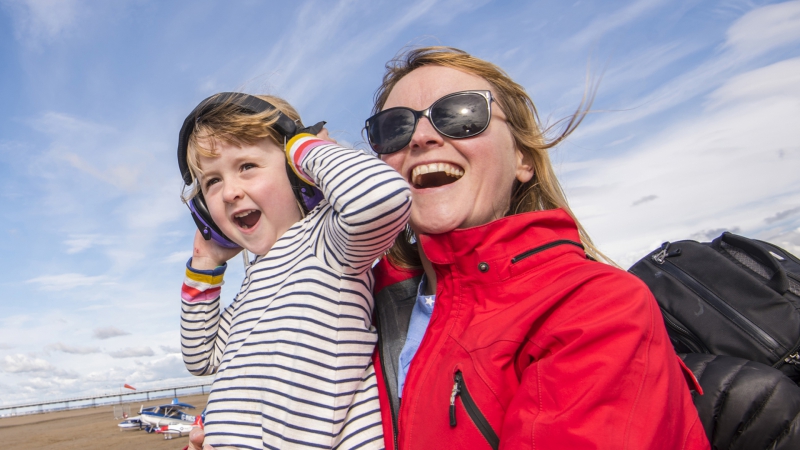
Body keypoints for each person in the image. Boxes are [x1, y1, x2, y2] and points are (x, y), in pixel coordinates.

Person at [365, 46, 710, 449]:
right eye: (394, 128)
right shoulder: (356, 307)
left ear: (522, 159)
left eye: (461, 115)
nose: (421, 137)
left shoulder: (596, 307)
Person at [177, 92, 410, 449]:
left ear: (296, 172)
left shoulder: (327, 242)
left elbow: (383, 197)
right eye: (212, 181)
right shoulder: (254, 286)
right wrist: (204, 262)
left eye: (246, 166)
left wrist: (305, 147)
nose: (229, 193)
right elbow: (200, 356)